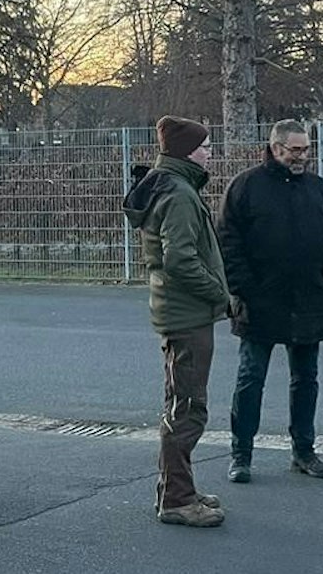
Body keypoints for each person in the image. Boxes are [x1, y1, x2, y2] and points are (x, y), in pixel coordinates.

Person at [218, 119, 323, 484]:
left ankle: (303, 452)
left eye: (306, 149)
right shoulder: (245, 187)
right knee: (250, 378)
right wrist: (245, 288)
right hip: (260, 302)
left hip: (310, 301)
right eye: (296, 150)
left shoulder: (319, 190)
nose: (302, 156)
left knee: (306, 379)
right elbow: (228, 242)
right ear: (275, 148)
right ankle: (240, 454)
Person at [122, 116, 230, 527]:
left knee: (179, 403)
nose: (209, 152)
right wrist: (221, 295)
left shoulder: (169, 185)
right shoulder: (181, 193)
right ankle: (178, 500)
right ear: (186, 151)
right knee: (188, 408)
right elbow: (181, 259)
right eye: (204, 146)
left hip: (178, 311)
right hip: (187, 314)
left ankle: (176, 489)